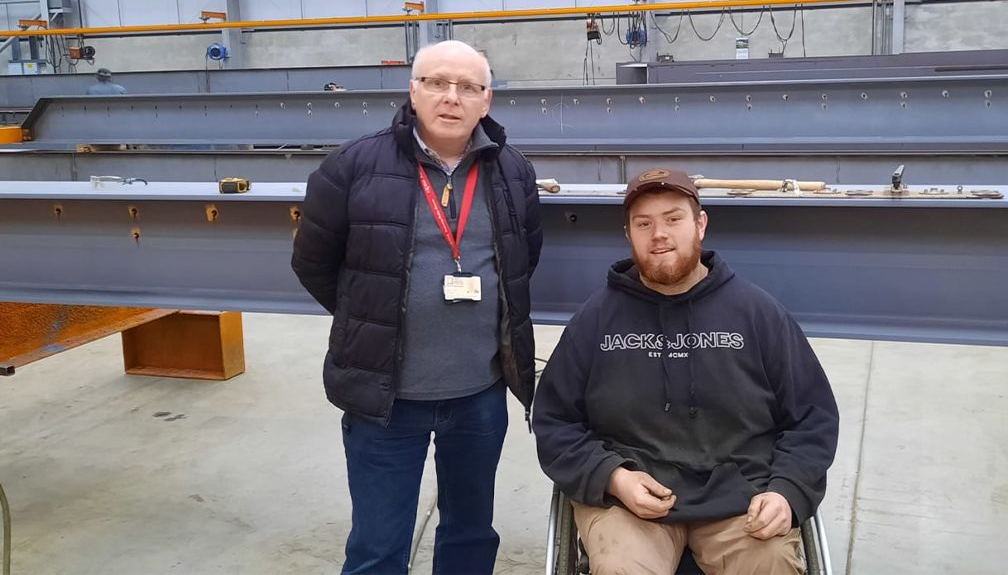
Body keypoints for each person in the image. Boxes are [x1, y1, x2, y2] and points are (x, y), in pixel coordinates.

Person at [291, 39, 542, 575]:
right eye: (436, 82)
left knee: (470, 534)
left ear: (486, 100)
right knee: (378, 546)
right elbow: (313, 262)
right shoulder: (353, 166)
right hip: (385, 400)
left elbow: (524, 259)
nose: (451, 97)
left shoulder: (514, 173)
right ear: (413, 91)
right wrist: (368, 315)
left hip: (478, 394)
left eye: (467, 87)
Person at [533, 168, 838, 575]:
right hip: (631, 499)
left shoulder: (758, 314)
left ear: (701, 224)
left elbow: (813, 419)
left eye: (673, 219)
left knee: (770, 563)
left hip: (743, 495)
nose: (659, 234)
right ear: (629, 234)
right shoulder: (595, 321)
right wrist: (612, 478)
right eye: (644, 224)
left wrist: (787, 491)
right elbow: (555, 423)